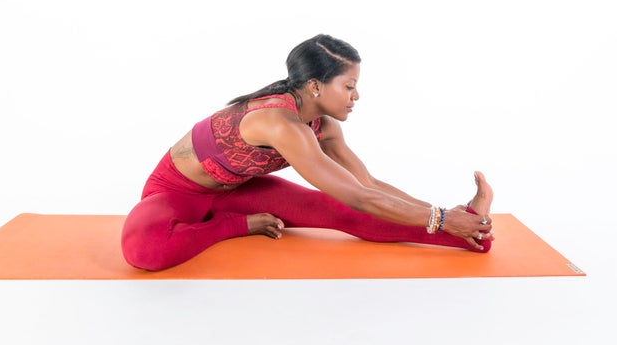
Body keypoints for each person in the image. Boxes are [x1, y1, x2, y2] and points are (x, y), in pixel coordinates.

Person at [121, 34, 494, 271]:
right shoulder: (278, 123)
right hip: (176, 195)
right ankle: (231, 226)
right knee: (143, 251)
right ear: (315, 86)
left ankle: (469, 232)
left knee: (342, 213)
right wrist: (439, 217)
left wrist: (450, 219)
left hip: (238, 192)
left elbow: (366, 185)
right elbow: (361, 196)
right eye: (349, 86)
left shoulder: (324, 126)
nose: (357, 96)